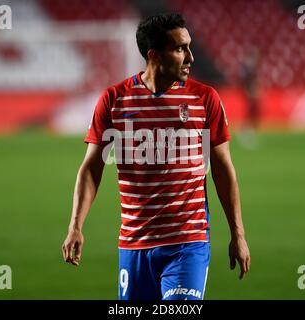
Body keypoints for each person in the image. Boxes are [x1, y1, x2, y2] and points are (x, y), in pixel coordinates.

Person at [62, 13, 250, 300]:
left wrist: (238, 234)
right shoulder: (114, 100)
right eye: (180, 49)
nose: (190, 57)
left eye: (189, 46)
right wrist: (75, 225)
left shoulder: (205, 99)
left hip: (188, 244)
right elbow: (91, 168)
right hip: (134, 246)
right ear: (154, 55)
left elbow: (223, 170)